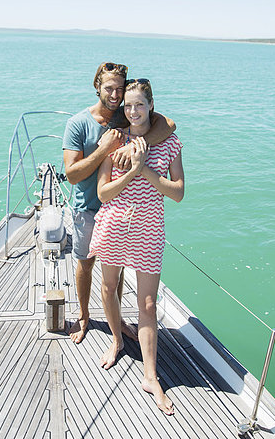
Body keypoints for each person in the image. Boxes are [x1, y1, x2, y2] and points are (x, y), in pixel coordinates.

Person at [88, 78, 184, 415]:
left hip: (148, 228)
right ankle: (116, 339)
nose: (133, 111)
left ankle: (149, 375)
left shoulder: (169, 143)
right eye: (128, 106)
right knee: (109, 287)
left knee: (147, 304)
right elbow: (103, 194)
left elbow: (177, 192)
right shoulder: (112, 142)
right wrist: (132, 174)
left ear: (151, 106)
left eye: (139, 104)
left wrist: (144, 171)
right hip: (115, 223)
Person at [62, 63, 176, 343]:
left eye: (119, 89)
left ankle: (119, 320)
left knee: (117, 269)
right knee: (86, 263)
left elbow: (169, 125)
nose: (115, 95)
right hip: (89, 205)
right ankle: (85, 315)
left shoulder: (127, 116)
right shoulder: (79, 123)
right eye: (109, 88)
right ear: (97, 87)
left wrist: (131, 146)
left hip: (120, 209)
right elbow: (72, 175)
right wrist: (104, 149)